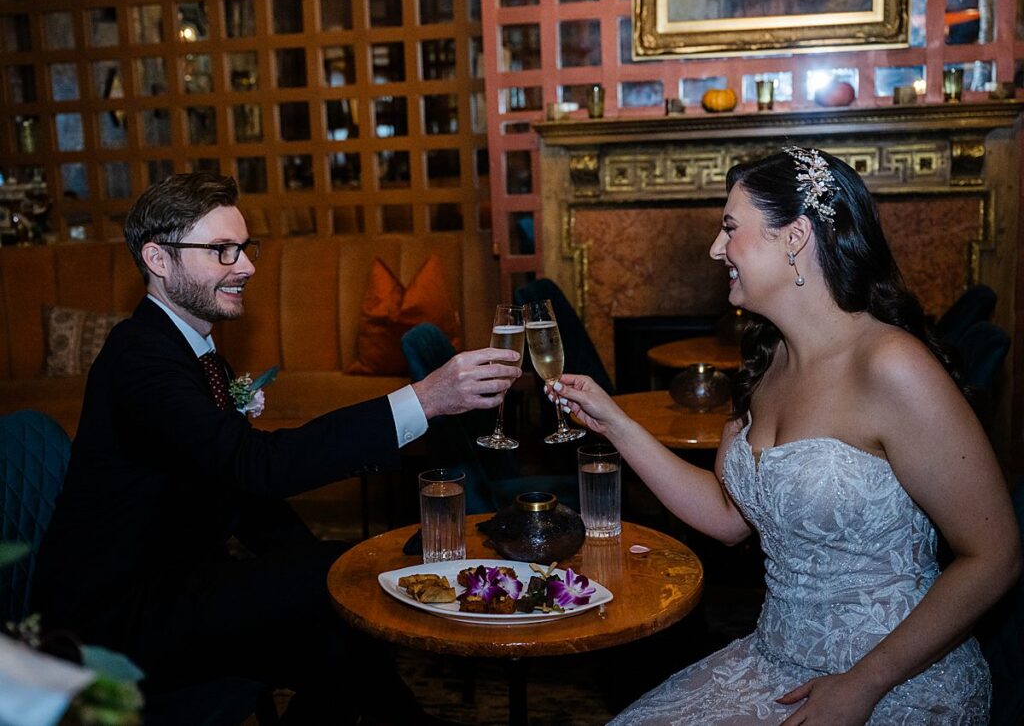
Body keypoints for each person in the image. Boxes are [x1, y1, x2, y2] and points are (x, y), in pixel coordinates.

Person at [550, 147, 1021, 724]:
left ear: (794, 236)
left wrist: (863, 683)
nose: (715, 249)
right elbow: (728, 517)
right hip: (773, 663)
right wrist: (616, 425)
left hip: (897, 679)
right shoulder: (766, 359)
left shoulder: (892, 366)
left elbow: (995, 556)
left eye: (730, 229)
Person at [32, 173, 521, 725]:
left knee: (339, 630)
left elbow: (233, 486)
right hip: (115, 617)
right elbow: (253, 467)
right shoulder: (141, 360)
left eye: (245, 248)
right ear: (159, 259)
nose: (246, 266)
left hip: (171, 585)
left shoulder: (191, 351)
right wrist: (424, 399)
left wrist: (321, 563)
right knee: (339, 603)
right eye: (221, 251)